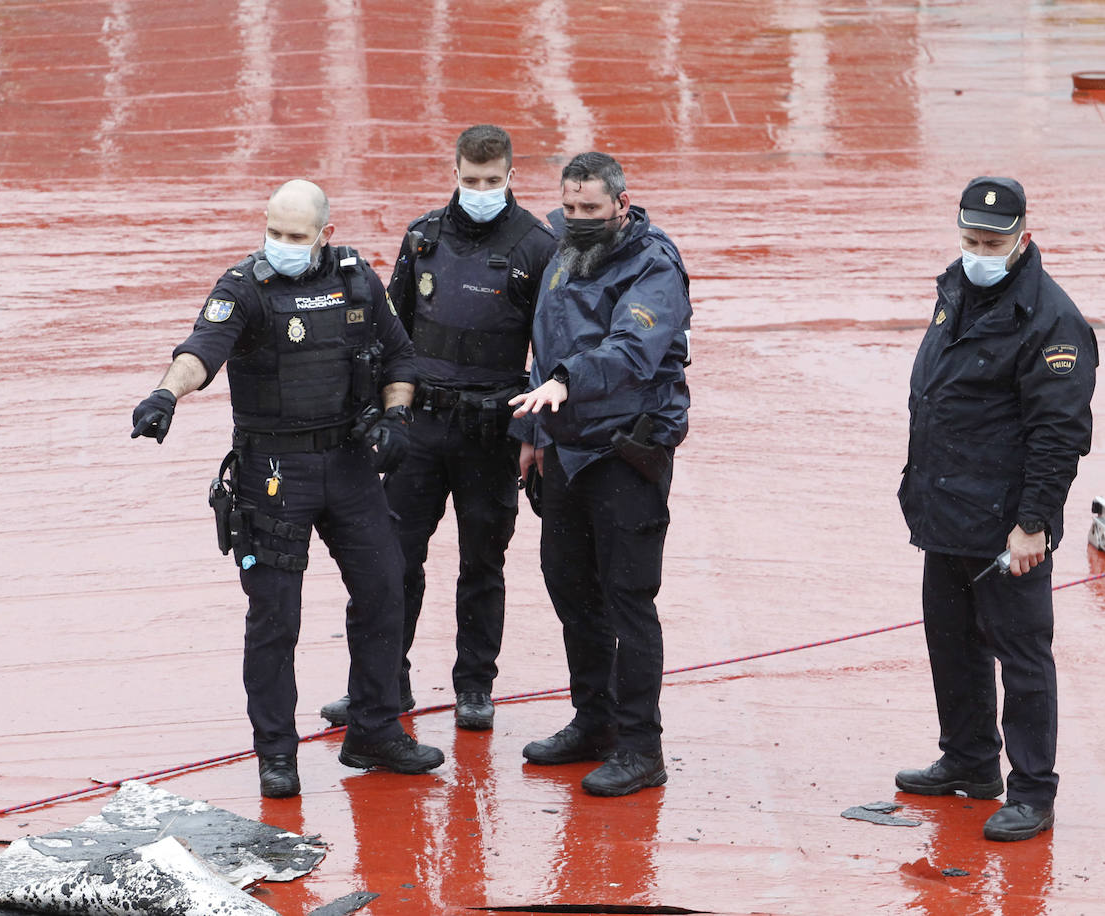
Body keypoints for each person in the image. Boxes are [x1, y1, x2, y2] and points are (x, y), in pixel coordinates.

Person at [130, 179, 444, 798]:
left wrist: (396, 417)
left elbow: (400, 359)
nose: (282, 246)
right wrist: (168, 393)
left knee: (385, 589)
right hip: (273, 474)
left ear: (325, 235)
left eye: (296, 237)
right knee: (275, 617)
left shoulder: (357, 279)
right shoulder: (246, 287)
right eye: (274, 232)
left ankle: (375, 728)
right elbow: (203, 348)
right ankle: (277, 753)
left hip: (351, 463)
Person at [317, 125, 557, 732]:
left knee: (482, 563)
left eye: (491, 181)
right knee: (392, 560)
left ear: (510, 176)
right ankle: (380, 685)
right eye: (470, 180)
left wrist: (537, 437)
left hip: (490, 432)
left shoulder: (536, 246)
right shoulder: (423, 237)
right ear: (454, 173)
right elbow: (388, 334)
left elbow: (552, 351)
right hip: (420, 427)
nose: (480, 190)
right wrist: (375, 412)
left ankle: (475, 686)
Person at [895, 176, 1097, 841]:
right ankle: (970, 760)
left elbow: (1058, 433)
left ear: (1023, 238)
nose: (978, 251)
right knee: (950, 644)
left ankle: (1032, 791)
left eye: (991, 242)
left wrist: (1033, 523)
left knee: (1022, 658)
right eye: (970, 239)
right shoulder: (957, 287)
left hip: (1007, 525)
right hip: (944, 510)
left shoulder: (1051, 320)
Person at [509, 152, 691, 797]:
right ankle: (594, 720)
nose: (579, 218)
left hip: (624, 451)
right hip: (563, 447)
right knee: (571, 591)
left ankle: (642, 746)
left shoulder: (652, 265)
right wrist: (532, 433)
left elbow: (633, 349)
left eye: (591, 209)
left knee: (628, 599)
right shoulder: (563, 251)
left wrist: (566, 383)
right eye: (571, 207)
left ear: (621, 201)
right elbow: (543, 344)